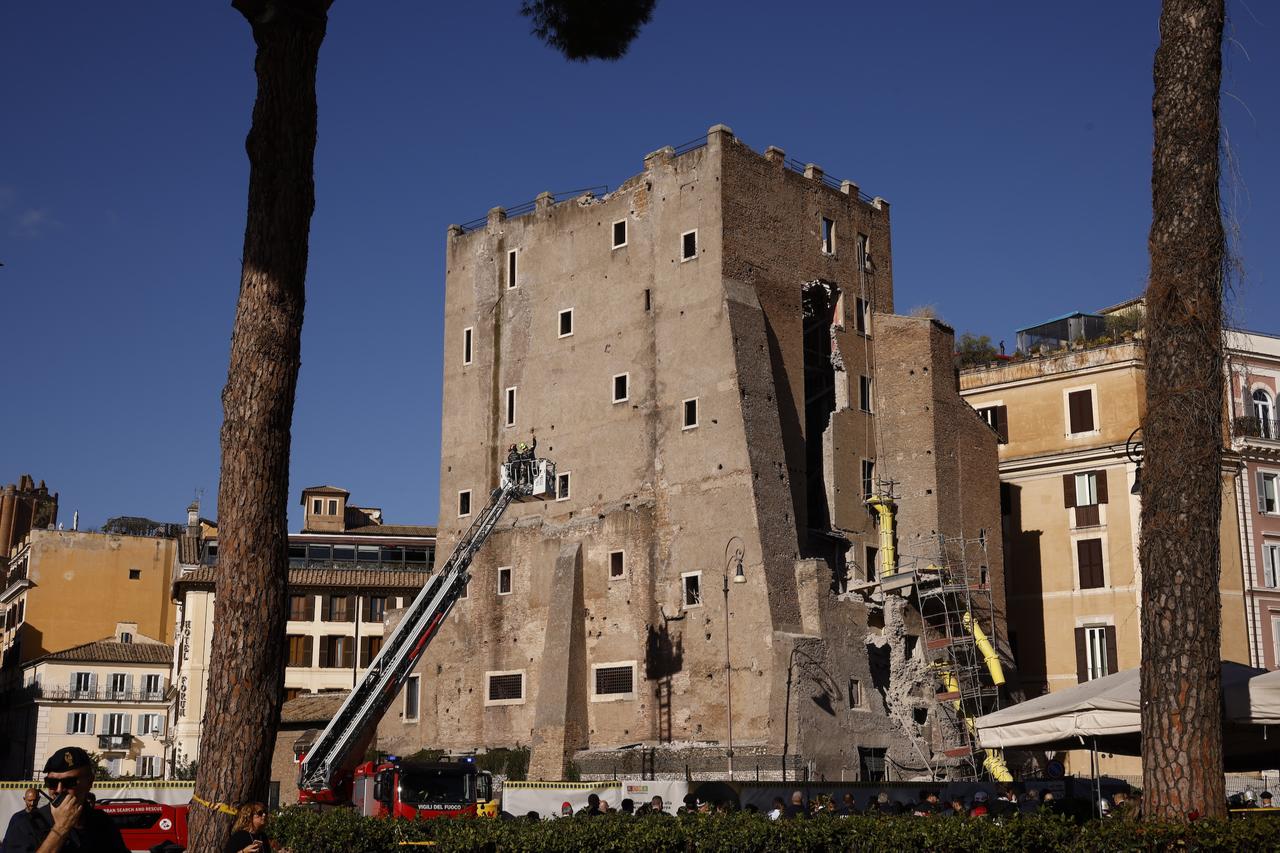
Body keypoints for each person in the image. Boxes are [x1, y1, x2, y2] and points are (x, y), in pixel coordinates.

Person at [23, 746, 128, 853]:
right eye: (52, 783)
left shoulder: (103, 824)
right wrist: (60, 829)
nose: (59, 790)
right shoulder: (26, 823)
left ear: (89, 782)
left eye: (69, 782)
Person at [2, 787, 47, 852]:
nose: (32, 803)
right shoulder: (17, 818)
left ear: (38, 799)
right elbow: (7, 842)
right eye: (29, 800)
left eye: (34, 800)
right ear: (24, 799)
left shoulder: (43, 818)